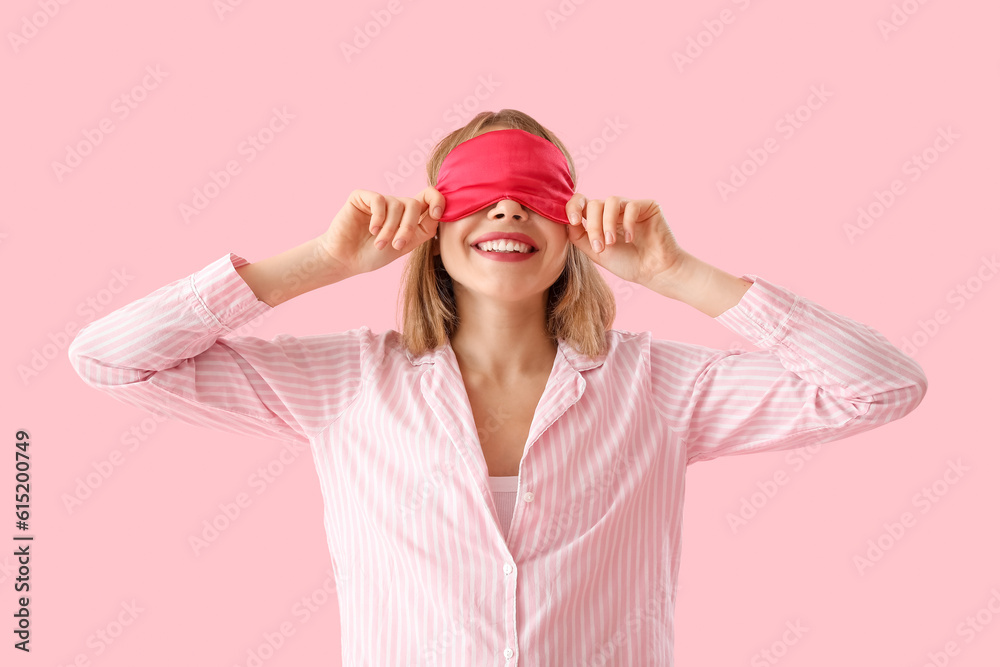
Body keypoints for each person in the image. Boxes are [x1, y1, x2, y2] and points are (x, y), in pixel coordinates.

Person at [68, 109, 928, 665]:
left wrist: (678, 272)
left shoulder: (659, 385)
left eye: (531, 197)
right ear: (433, 228)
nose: (508, 212)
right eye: (480, 197)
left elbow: (882, 387)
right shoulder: (346, 381)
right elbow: (111, 359)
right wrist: (321, 263)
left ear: (573, 227)